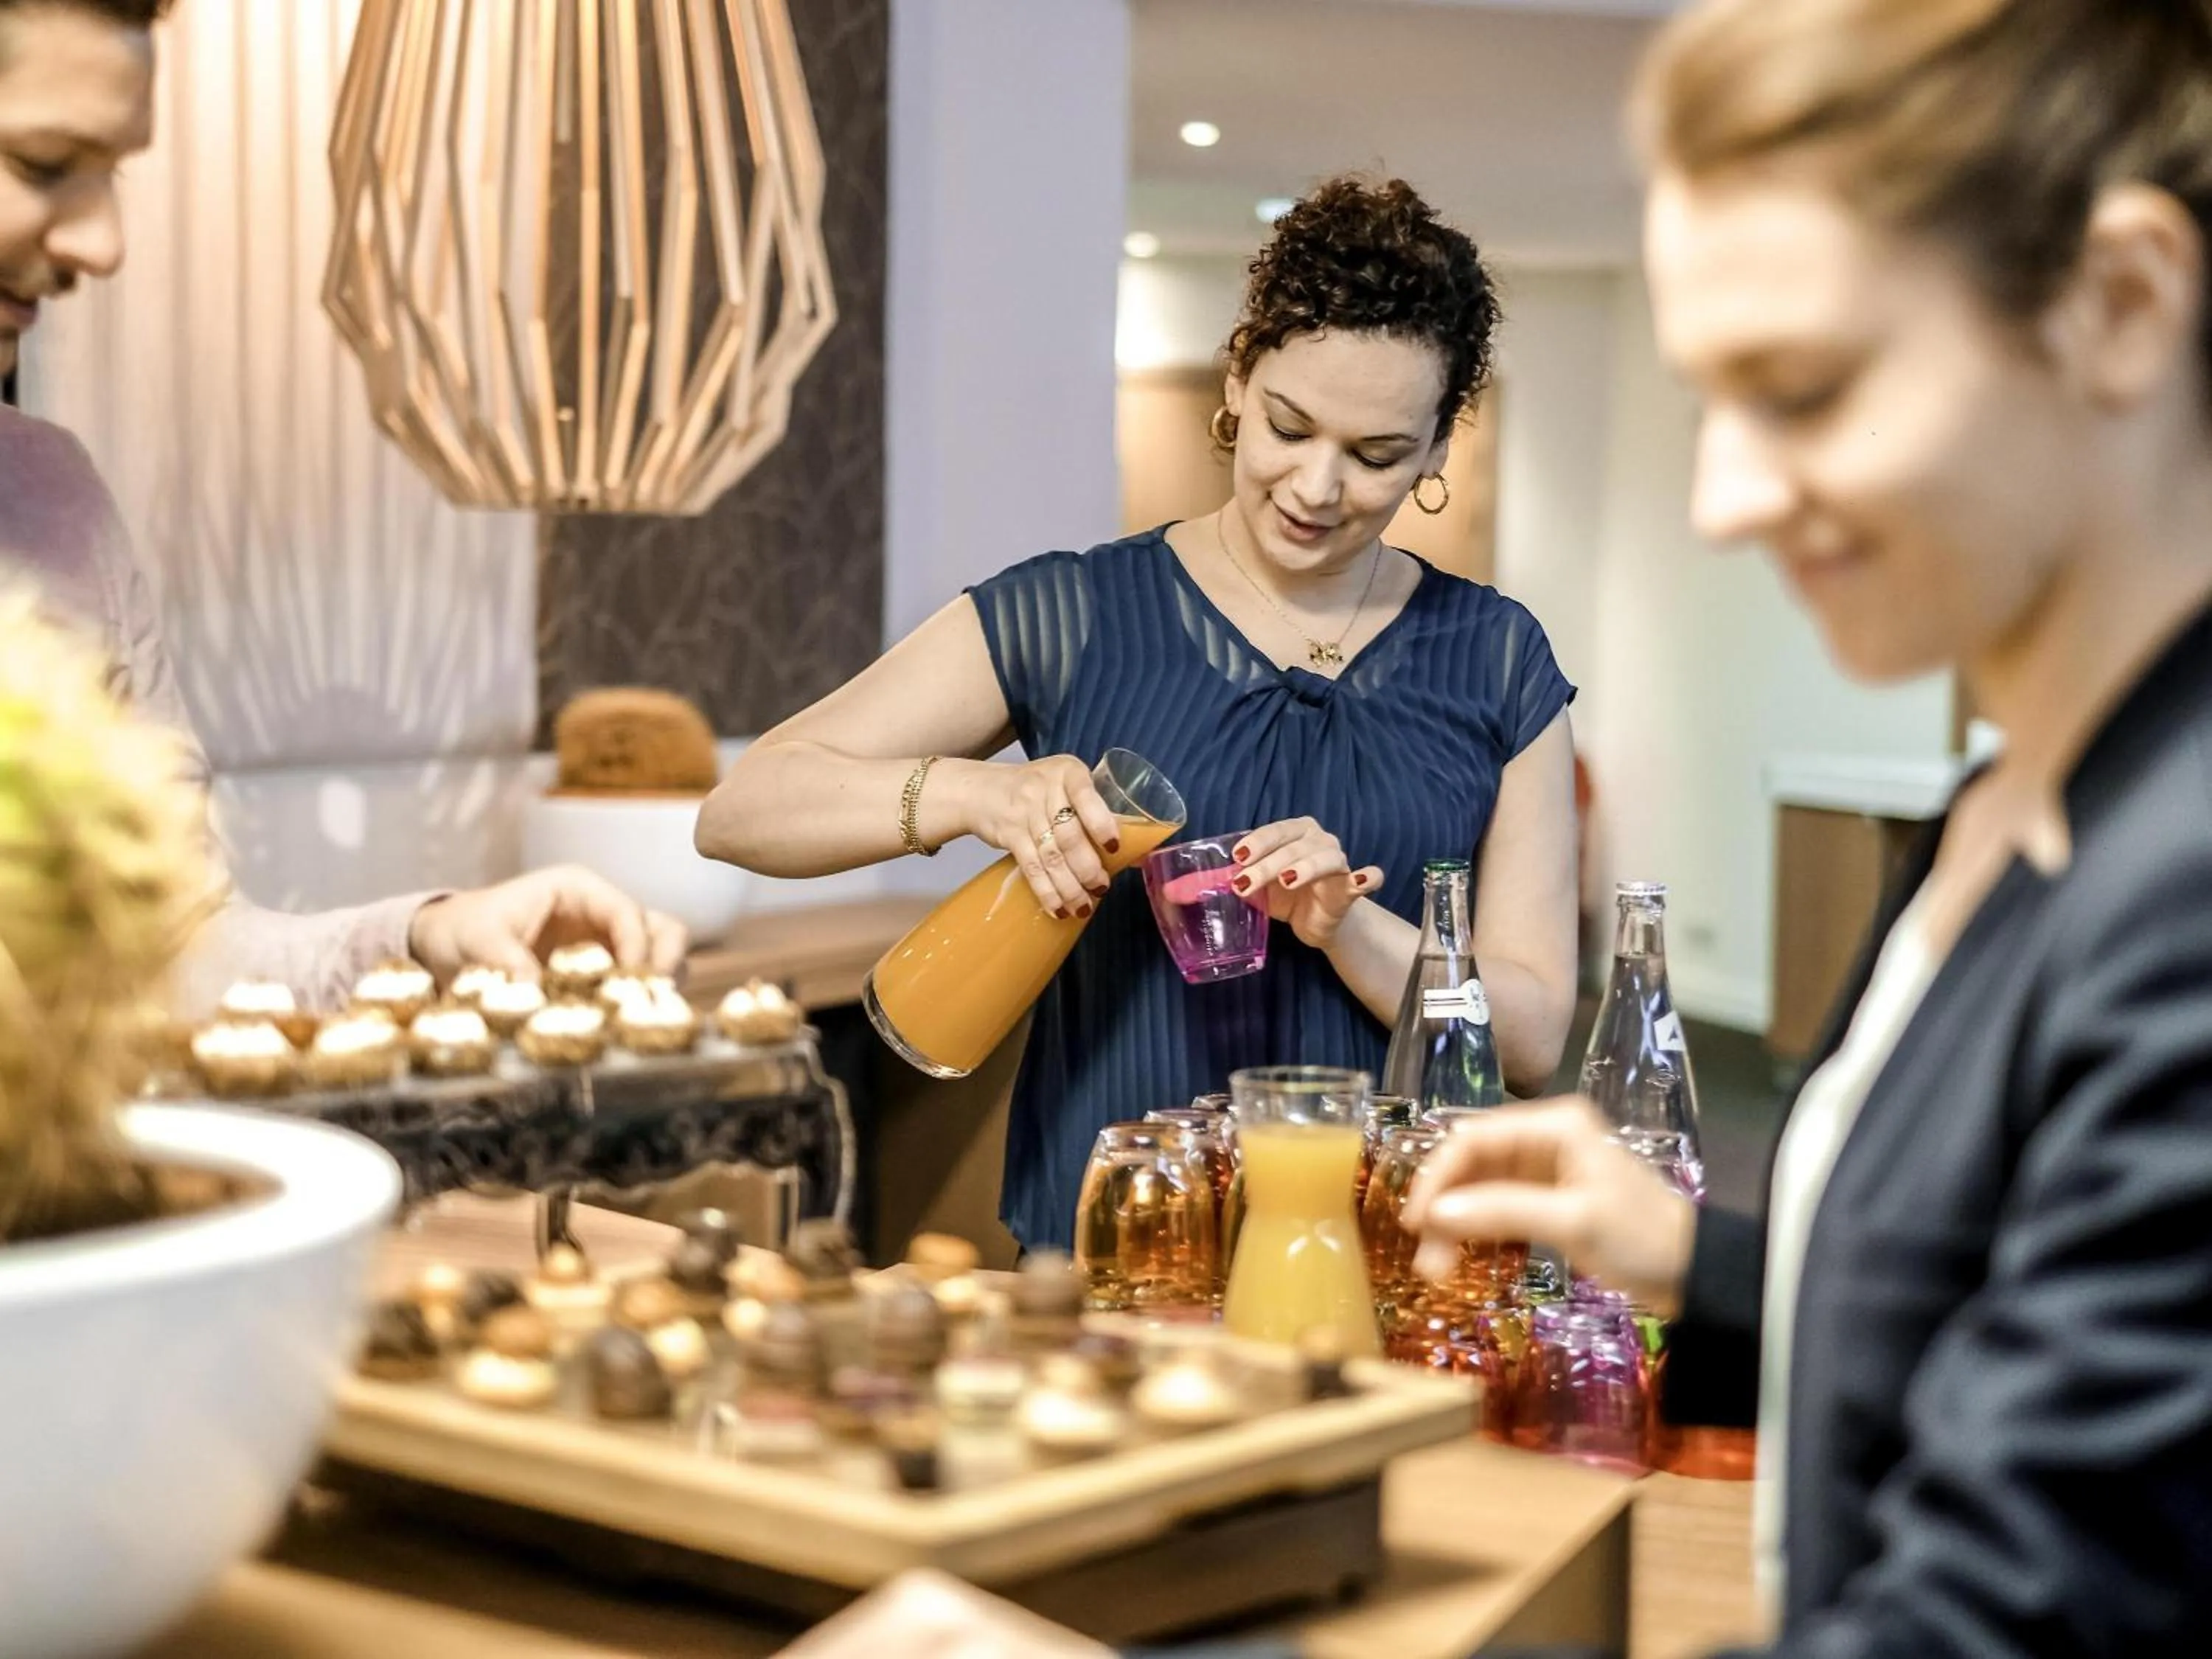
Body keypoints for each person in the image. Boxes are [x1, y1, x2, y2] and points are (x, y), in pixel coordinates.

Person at [1410, 0, 2212, 1652]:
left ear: (2122, 307)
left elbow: (2016, 1611)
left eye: (1806, 389)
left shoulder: (2184, 884)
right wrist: (1694, 1267)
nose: (1725, 499)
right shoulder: (2006, 811)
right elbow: (1996, 1348)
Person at [700, 176, 1580, 1251]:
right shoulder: (1076, 610)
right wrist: (978, 792)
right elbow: (745, 809)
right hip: (1116, 1261)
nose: (1316, 485)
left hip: (1387, 1261)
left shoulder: (1495, 658)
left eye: (1376, 455)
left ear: (1440, 446)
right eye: (1289, 426)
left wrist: (1349, 928)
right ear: (1239, 376)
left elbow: (1531, 1034)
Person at [0, 0, 686, 1012]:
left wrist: (427, 937)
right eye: (47, 164)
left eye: (117, 172)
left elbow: (172, 955)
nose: (105, 244)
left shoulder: (56, 503)